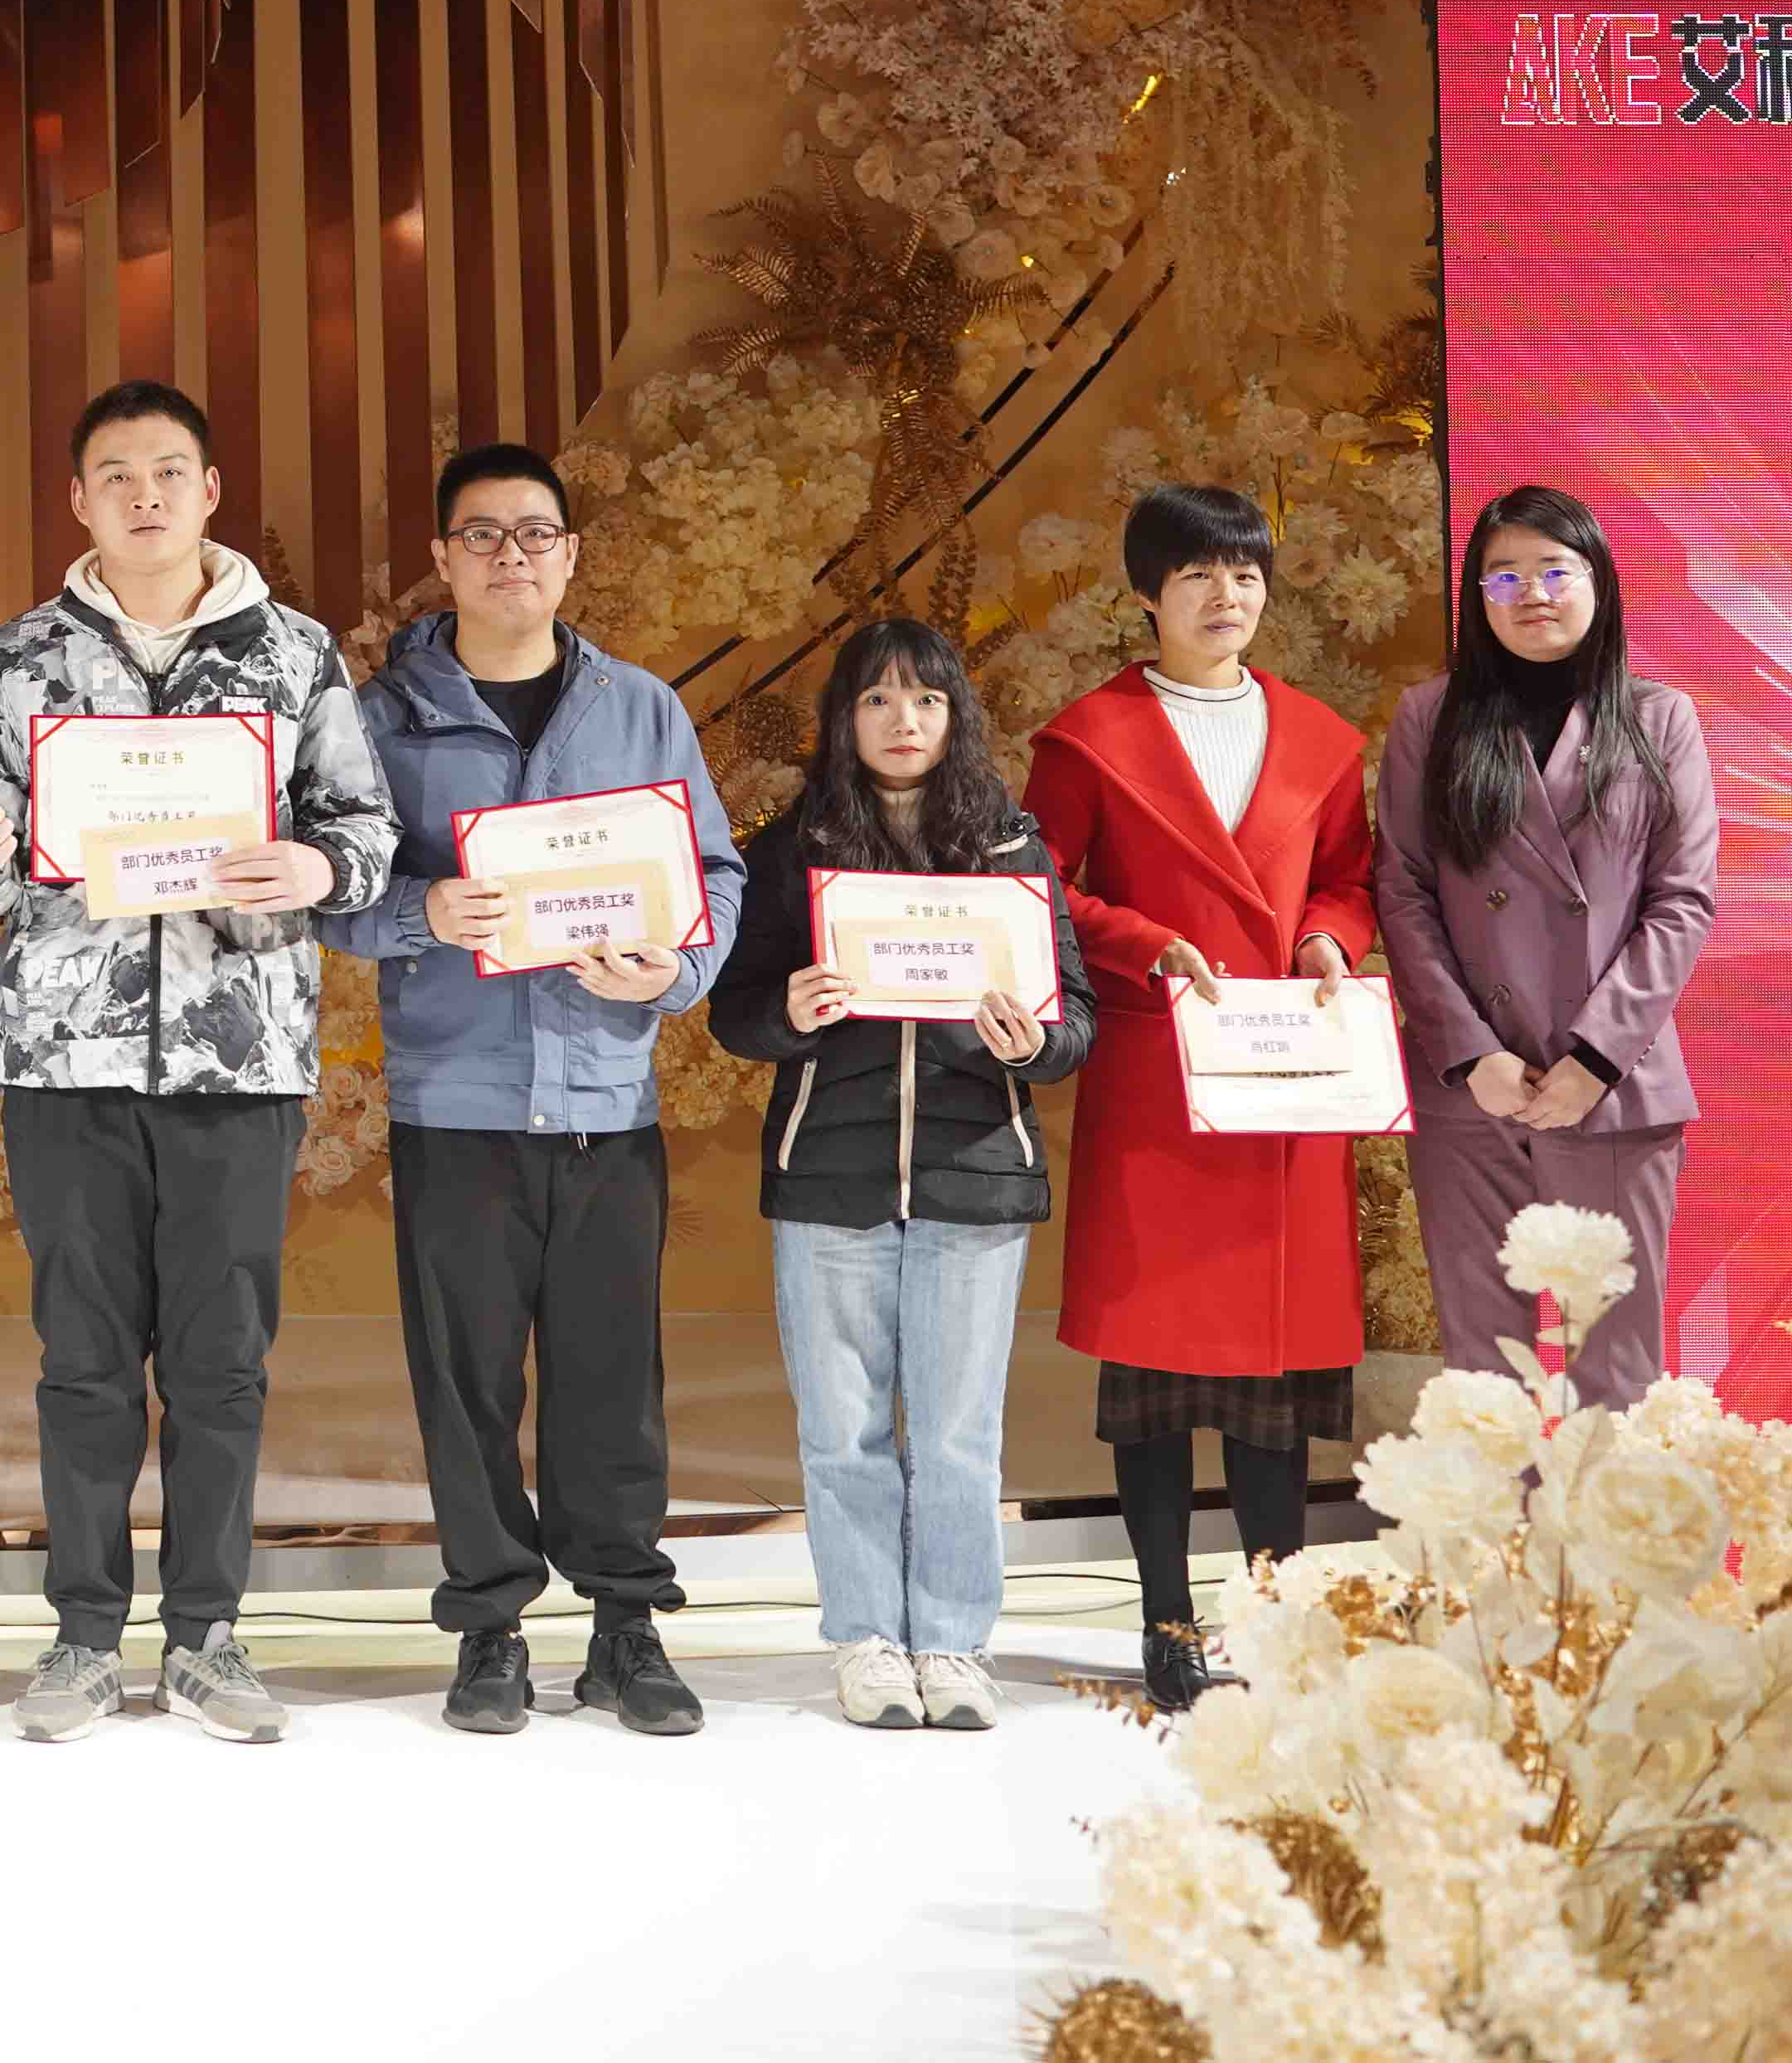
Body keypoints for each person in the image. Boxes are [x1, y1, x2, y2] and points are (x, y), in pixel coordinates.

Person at [0, 381, 399, 1745]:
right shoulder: (21, 658)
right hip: (64, 1056)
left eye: (169, 470)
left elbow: (366, 830)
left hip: (238, 1055)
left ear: (209, 490)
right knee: (80, 1357)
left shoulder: (293, 650)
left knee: (220, 1358)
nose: (145, 494)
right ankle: (82, 1632)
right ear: (78, 499)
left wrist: (313, 864)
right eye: (117, 473)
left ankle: (206, 1632)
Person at [321, 441, 743, 1741]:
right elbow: (329, 892)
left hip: (607, 1101)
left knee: (612, 1380)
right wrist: (421, 910)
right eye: (482, 534)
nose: (511, 555)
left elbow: (715, 875)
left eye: (535, 533)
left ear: (570, 555)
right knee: (468, 1386)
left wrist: (676, 969)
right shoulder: (381, 719)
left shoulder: (640, 707)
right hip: (455, 1103)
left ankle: (624, 1624)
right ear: (441, 559)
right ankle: (490, 1623)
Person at [1023, 480, 1377, 1712]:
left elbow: (1350, 879)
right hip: (1158, 1085)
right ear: (1146, 594)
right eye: (1197, 575)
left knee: (1274, 1389)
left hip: (1283, 1086)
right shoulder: (1088, 737)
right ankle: (1166, 1622)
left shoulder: (1323, 739)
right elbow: (1038, 886)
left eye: (1244, 573)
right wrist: (1140, 942)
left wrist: (1330, 936)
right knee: (1156, 1380)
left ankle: (1273, 1625)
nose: (1227, 596)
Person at [706, 619, 1091, 1734]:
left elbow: (1073, 1017)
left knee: (961, 1432)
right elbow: (734, 1011)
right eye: (876, 699)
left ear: (955, 715)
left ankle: (955, 1642)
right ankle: (868, 1637)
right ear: (843, 720)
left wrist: (1032, 1042)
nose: (903, 719)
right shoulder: (794, 848)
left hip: (976, 1175)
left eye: (925, 698)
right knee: (842, 1431)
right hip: (829, 1173)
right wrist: (787, 1011)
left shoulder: (1010, 847)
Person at [1372, 485, 1714, 1413]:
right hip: (1472, 1089)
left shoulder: (1659, 718)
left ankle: (1606, 1523)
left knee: (1614, 1369)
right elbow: (1402, 890)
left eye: (1556, 571)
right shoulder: (1431, 716)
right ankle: (1507, 1527)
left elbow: (1682, 902)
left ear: (1598, 581)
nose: (1532, 593)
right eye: (1504, 576)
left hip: (1614, 1085)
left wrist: (1594, 1057)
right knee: (1488, 1372)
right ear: (1476, 597)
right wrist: (1469, 1052)